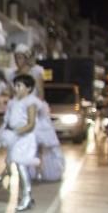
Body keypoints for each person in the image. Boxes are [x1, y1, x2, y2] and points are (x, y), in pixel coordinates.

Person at [5, 45, 64, 180]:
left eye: (20, 57)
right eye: (16, 57)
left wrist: (34, 108)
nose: (17, 60)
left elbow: (40, 94)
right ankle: (24, 170)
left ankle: (39, 168)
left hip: (34, 112)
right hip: (18, 113)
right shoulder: (12, 74)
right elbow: (10, 94)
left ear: (26, 58)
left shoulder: (36, 72)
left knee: (38, 143)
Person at [0, 74, 40, 211]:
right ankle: (25, 195)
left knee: (21, 165)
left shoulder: (31, 102)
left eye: (19, 86)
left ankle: (27, 196)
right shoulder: (13, 101)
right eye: (15, 85)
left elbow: (31, 124)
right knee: (12, 163)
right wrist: (1, 135)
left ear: (28, 88)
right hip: (14, 137)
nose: (16, 88)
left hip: (25, 138)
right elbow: (7, 120)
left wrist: (16, 133)